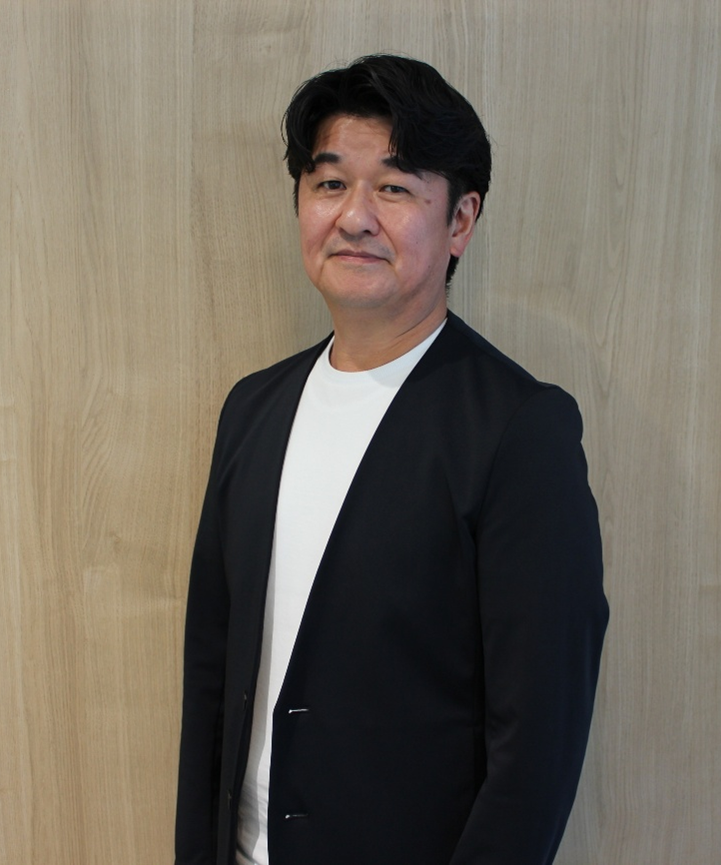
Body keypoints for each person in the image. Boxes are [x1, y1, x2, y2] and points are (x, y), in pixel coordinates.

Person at [175, 54, 608, 865]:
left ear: (460, 220)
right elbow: (211, 678)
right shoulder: (252, 409)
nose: (354, 217)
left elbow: (536, 747)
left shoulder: (518, 430)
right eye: (329, 183)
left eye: (395, 187)